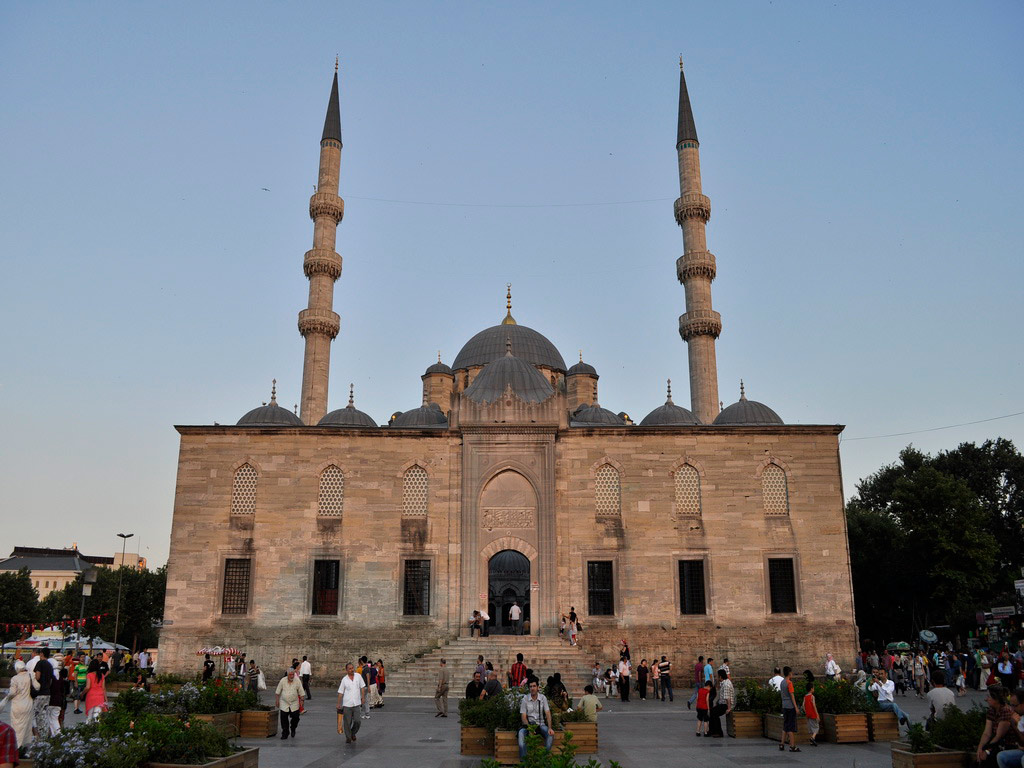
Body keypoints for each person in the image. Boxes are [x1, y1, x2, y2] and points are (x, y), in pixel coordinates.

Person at [977, 685, 1014, 767]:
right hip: (995, 744)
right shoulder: (991, 710)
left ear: (996, 699)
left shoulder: (1005, 711)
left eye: (988, 697)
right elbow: (987, 733)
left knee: (988, 761)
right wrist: (980, 748)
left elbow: (999, 736)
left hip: (1006, 744)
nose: (986, 699)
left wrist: (987, 751)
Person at [0, 660, 34, 748]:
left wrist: (7, 697)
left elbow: (12, 693)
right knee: (27, 726)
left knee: (17, 726)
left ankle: (17, 747)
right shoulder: (30, 675)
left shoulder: (15, 678)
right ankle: (25, 746)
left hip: (18, 705)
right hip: (28, 704)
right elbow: (37, 686)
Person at [518, 680, 554, 760]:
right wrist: (530, 728)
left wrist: (550, 728)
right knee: (521, 733)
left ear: (538, 687)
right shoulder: (525, 699)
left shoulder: (543, 698)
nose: (532, 688)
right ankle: (524, 761)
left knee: (550, 734)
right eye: (530, 686)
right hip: (529, 725)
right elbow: (523, 717)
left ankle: (543, 758)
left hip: (540, 724)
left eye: (534, 686)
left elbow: (548, 713)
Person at [994, 687, 1024, 768]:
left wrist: (1014, 725)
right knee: (1002, 757)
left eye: (1015, 706)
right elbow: (1021, 743)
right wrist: (1014, 725)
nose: (1012, 709)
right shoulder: (1020, 717)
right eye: (1011, 705)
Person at [336, 662, 366, 744]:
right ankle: (348, 737)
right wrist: (338, 703)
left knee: (357, 721)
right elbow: (340, 692)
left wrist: (363, 697)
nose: (352, 670)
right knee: (347, 722)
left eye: (352, 668)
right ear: (347, 670)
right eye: (350, 669)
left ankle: (353, 733)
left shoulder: (358, 676)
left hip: (356, 703)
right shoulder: (344, 680)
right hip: (347, 704)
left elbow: (362, 687)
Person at [275, 668, 304, 739]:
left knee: (296, 718)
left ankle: (293, 728)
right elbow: (277, 692)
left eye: (293, 674)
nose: (292, 676)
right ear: (287, 675)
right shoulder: (283, 680)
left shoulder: (297, 681)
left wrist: (302, 700)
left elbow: (301, 692)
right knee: (283, 718)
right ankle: (285, 732)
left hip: (294, 703)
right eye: (290, 675)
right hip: (284, 702)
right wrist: (277, 701)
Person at [779, 666, 800, 752]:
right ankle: (792, 746)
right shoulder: (789, 683)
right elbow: (792, 695)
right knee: (791, 727)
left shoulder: (782, 682)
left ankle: (782, 744)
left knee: (785, 726)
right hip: (790, 706)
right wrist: (796, 707)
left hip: (784, 705)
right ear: (789, 673)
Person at [82, 658, 107, 724]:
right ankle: (97, 727)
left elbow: (87, 687)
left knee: (89, 716)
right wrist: (106, 699)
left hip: (91, 696)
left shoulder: (89, 675)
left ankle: (88, 727)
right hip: (100, 696)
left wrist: (82, 694)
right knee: (97, 716)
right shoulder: (102, 675)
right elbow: (104, 688)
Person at [803, 679, 820, 746]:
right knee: (816, 727)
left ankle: (811, 741)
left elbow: (803, 705)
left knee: (810, 727)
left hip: (808, 714)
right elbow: (814, 705)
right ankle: (812, 738)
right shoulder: (812, 697)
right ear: (811, 689)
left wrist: (806, 711)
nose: (814, 689)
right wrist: (817, 714)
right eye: (813, 688)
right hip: (813, 714)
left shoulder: (805, 697)